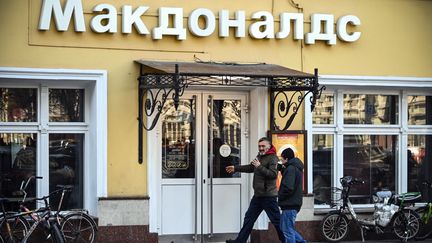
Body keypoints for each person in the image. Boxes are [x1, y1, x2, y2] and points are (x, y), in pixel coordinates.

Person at [225, 137, 284, 243]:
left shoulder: (273, 158)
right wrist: (236, 168)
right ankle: (240, 241)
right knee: (248, 219)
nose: (261, 148)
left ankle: (288, 240)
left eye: (263, 146)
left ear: (269, 146)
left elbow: (273, 175)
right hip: (258, 196)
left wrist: (260, 166)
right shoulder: (260, 156)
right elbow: (251, 168)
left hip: (269, 196)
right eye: (259, 146)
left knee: (277, 222)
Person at [278, 148, 306, 243]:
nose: (281, 161)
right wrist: (282, 170)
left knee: (287, 231)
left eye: (282, 159)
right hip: (293, 203)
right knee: (285, 228)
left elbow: (288, 187)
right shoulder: (295, 167)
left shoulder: (291, 168)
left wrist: (280, 195)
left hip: (289, 204)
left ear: (286, 158)